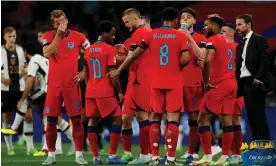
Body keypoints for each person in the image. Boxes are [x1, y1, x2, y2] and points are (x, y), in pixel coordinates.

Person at [109, 7, 190, 165]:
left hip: (155, 82)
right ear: (175, 21)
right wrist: (176, 66)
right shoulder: (180, 35)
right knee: (172, 119)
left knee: (154, 118)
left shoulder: (151, 34)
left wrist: (119, 70)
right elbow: (186, 59)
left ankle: (154, 158)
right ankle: (171, 160)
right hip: (173, 81)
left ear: (162, 20)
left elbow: (134, 54)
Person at [42, 9, 90, 165]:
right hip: (54, 86)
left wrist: (84, 71)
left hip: (72, 85)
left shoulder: (79, 37)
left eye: (62, 22)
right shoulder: (48, 36)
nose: (60, 25)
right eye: (56, 23)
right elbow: (47, 53)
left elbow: (91, 54)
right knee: (51, 121)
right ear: (53, 24)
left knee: (76, 121)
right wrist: (58, 35)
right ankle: (51, 155)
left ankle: (79, 156)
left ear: (67, 20)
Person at [191, 14, 237, 165]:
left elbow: (208, 59)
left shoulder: (213, 39)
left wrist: (206, 82)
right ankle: (224, 158)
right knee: (227, 121)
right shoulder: (230, 42)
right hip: (231, 83)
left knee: (202, 119)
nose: (204, 27)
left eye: (206, 24)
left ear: (215, 25)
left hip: (218, 84)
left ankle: (207, 157)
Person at [84, 20, 126, 164]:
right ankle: (112, 156)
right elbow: (113, 74)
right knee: (118, 118)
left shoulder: (88, 50)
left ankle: (95, 158)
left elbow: (86, 75)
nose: (113, 37)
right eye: (112, 34)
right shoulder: (109, 49)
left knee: (92, 121)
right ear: (105, 33)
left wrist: (89, 89)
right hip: (105, 91)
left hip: (90, 90)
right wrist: (120, 92)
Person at [116, 8, 152, 163]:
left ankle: (147, 154)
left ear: (136, 19)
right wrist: (118, 54)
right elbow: (124, 57)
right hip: (133, 80)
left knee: (144, 116)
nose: (125, 25)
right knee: (126, 118)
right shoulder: (133, 36)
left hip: (141, 80)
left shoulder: (142, 33)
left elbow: (128, 59)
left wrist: (117, 69)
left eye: (127, 22)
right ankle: (130, 152)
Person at [235, 14, 272, 141]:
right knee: (251, 116)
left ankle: (265, 147)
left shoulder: (259, 39)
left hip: (255, 82)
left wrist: (258, 79)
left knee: (259, 116)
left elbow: (265, 60)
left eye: (240, 24)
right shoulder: (241, 44)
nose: (237, 28)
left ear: (248, 24)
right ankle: (257, 145)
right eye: (236, 25)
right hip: (245, 83)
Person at [178, 7, 207, 163]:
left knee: (194, 118)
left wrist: (189, 37)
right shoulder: (175, 36)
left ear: (194, 20)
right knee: (171, 117)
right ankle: (168, 153)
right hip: (175, 83)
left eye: (188, 17)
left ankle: (192, 152)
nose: (185, 19)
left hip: (193, 83)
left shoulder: (201, 37)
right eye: (183, 17)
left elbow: (202, 55)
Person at [1, 26, 27, 155]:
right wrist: (2, 79)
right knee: (6, 117)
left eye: (14, 36)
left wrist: (23, 71)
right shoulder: (0, 51)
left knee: (27, 114)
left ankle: (29, 146)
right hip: (5, 89)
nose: (12, 39)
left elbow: (24, 66)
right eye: (9, 36)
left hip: (20, 87)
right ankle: (10, 147)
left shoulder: (20, 50)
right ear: (4, 37)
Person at [222, 23, 243, 164]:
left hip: (238, 88)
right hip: (224, 88)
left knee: (235, 120)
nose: (221, 33)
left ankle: (237, 153)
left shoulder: (239, 47)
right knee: (226, 121)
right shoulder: (220, 46)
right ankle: (228, 154)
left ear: (231, 33)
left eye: (223, 31)